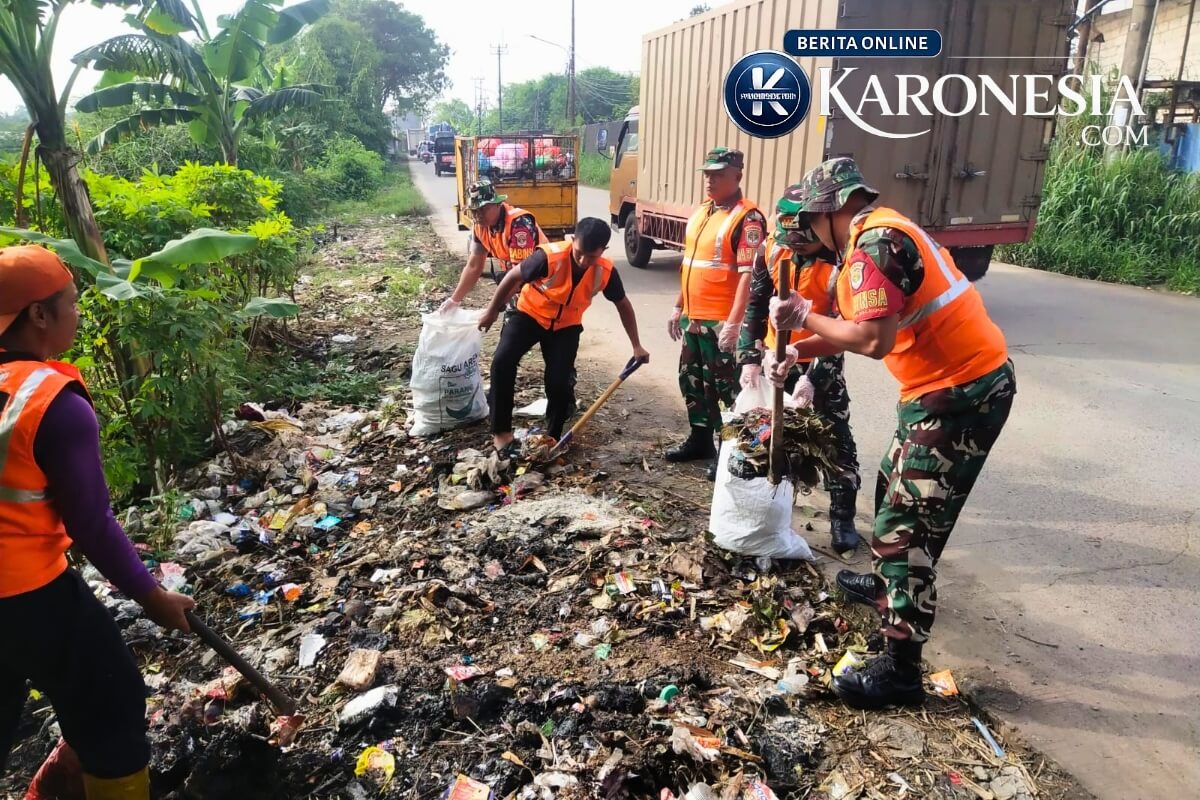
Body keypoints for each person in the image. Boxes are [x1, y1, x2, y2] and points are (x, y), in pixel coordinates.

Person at [766, 158, 1016, 710]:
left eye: (809, 220)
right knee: (891, 497)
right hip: (936, 392)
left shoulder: (876, 244)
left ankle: (900, 671)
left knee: (907, 526)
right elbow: (858, 332)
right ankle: (888, 590)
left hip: (961, 395)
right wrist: (799, 351)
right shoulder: (876, 234)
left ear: (830, 208)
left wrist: (804, 315)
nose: (807, 235)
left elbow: (874, 340)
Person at [0, 246, 196, 799]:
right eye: (72, 302)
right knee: (110, 706)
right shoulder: (51, 403)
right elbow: (91, 522)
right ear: (39, 315)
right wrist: (152, 597)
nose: (80, 313)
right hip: (25, 594)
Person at [737, 189, 862, 555]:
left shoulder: (843, 262)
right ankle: (773, 508)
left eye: (805, 244)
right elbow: (756, 303)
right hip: (777, 358)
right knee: (768, 433)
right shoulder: (773, 249)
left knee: (833, 436)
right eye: (792, 243)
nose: (798, 250)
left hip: (820, 357)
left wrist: (813, 378)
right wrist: (749, 356)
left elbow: (846, 326)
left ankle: (842, 516)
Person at [479, 218, 649, 454]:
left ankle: (553, 438)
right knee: (502, 362)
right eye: (579, 253)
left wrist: (637, 345)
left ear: (603, 251)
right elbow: (513, 277)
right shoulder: (548, 257)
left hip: (566, 326)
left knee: (559, 381)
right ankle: (502, 434)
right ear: (573, 241)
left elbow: (623, 305)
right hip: (529, 314)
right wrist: (491, 311)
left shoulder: (606, 270)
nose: (582, 261)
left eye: (591, 256)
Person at [664, 148, 767, 480]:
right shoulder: (703, 212)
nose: (710, 180)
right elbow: (690, 264)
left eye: (718, 174)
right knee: (692, 381)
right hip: (694, 318)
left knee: (723, 388)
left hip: (720, 320)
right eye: (707, 174)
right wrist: (678, 305)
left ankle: (728, 449)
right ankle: (700, 440)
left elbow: (747, 276)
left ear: (737, 175)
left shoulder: (747, 218)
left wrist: (735, 324)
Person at [439, 179, 547, 317]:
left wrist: (493, 309)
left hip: (544, 288)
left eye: (483, 209)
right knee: (511, 335)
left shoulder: (519, 224)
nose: (478, 215)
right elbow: (473, 266)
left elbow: (521, 274)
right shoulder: (480, 227)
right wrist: (454, 300)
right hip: (522, 289)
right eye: (474, 211)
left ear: (497, 204)